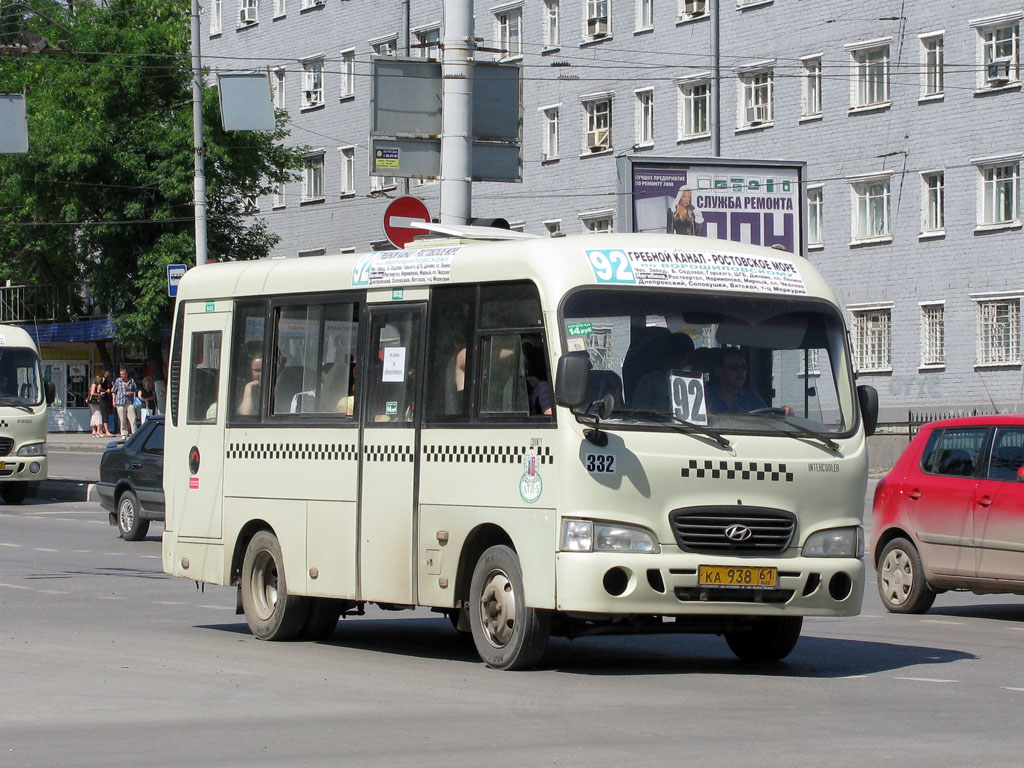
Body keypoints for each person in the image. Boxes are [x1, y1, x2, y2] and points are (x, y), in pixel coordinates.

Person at [630, 333, 695, 412]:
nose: (681, 364)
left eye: (686, 361)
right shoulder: (649, 382)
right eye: (676, 357)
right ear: (667, 356)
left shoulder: (696, 383)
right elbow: (640, 415)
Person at [705, 347, 769, 414]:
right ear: (719, 372)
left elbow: (768, 421)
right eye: (734, 367)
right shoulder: (706, 397)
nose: (740, 371)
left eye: (743, 367)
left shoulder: (753, 397)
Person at [112, 367, 138, 438]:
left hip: (129, 402)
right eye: (121, 374)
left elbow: (136, 390)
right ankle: (124, 434)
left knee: (132, 418)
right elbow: (114, 391)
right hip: (120, 402)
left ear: (126, 374)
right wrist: (113, 400)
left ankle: (134, 434)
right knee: (122, 419)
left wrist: (131, 393)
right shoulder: (118, 381)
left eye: (123, 374)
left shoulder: (131, 381)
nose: (121, 376)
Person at [99, 367, 114, 435]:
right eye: (109, 372)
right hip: (103, 398)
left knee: (106, 413)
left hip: (107, 398)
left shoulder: (108, 380)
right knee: (104, 414)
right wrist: (106, 391)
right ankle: (107, 430)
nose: (110, 374)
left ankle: (101, 430)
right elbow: (99, 388)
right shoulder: (103, 379)